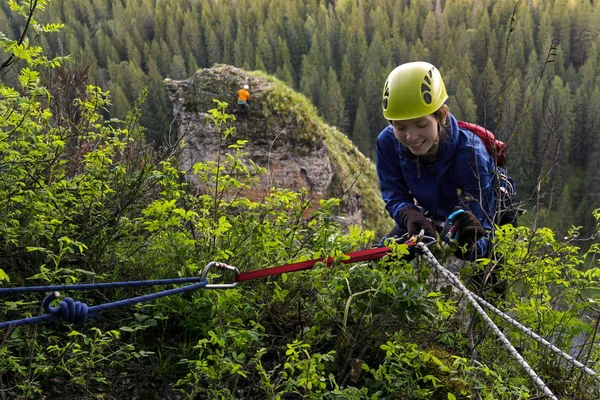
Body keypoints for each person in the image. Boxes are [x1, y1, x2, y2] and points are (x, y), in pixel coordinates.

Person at [376, 61, 505, 260]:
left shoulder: (471, 155)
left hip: (485, 217)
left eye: (421, 124)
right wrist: (408, 213)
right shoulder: (388, 143)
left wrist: (469, 243)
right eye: (400, 127)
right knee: (383, 262)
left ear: (442, 115)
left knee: (488, 278)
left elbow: (483, 229)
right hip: (431, 210)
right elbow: (394, 194)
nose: (411, 137)